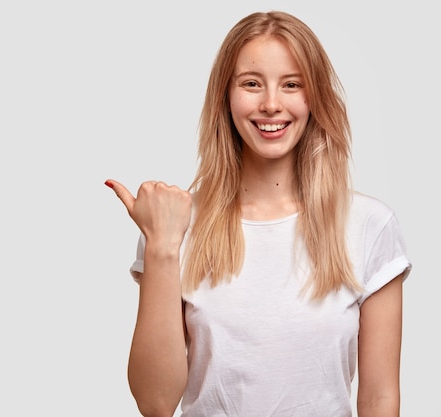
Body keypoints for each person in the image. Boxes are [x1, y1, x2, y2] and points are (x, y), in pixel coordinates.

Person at [104, 10, 411, 417]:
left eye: (291, 85)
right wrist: (161, 246)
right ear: (226, 97)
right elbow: (155, 402)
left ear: (314, 97)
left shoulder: (369, 226)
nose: (270, 104)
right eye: (251, 84)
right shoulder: (175, 226)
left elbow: (379, 398)